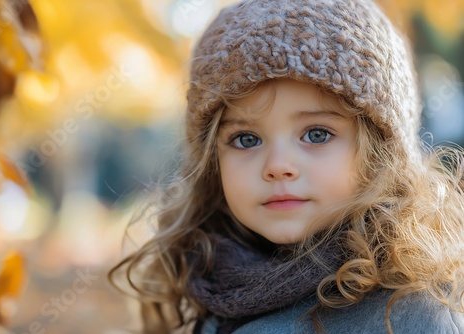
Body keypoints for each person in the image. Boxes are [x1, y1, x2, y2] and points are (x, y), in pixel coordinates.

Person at [109, 0, 464, 333]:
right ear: (211, 161)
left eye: (317, 134)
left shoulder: (410, 314)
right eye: (247, 139)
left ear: (381, 155)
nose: (278, 167)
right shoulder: (211, 280)